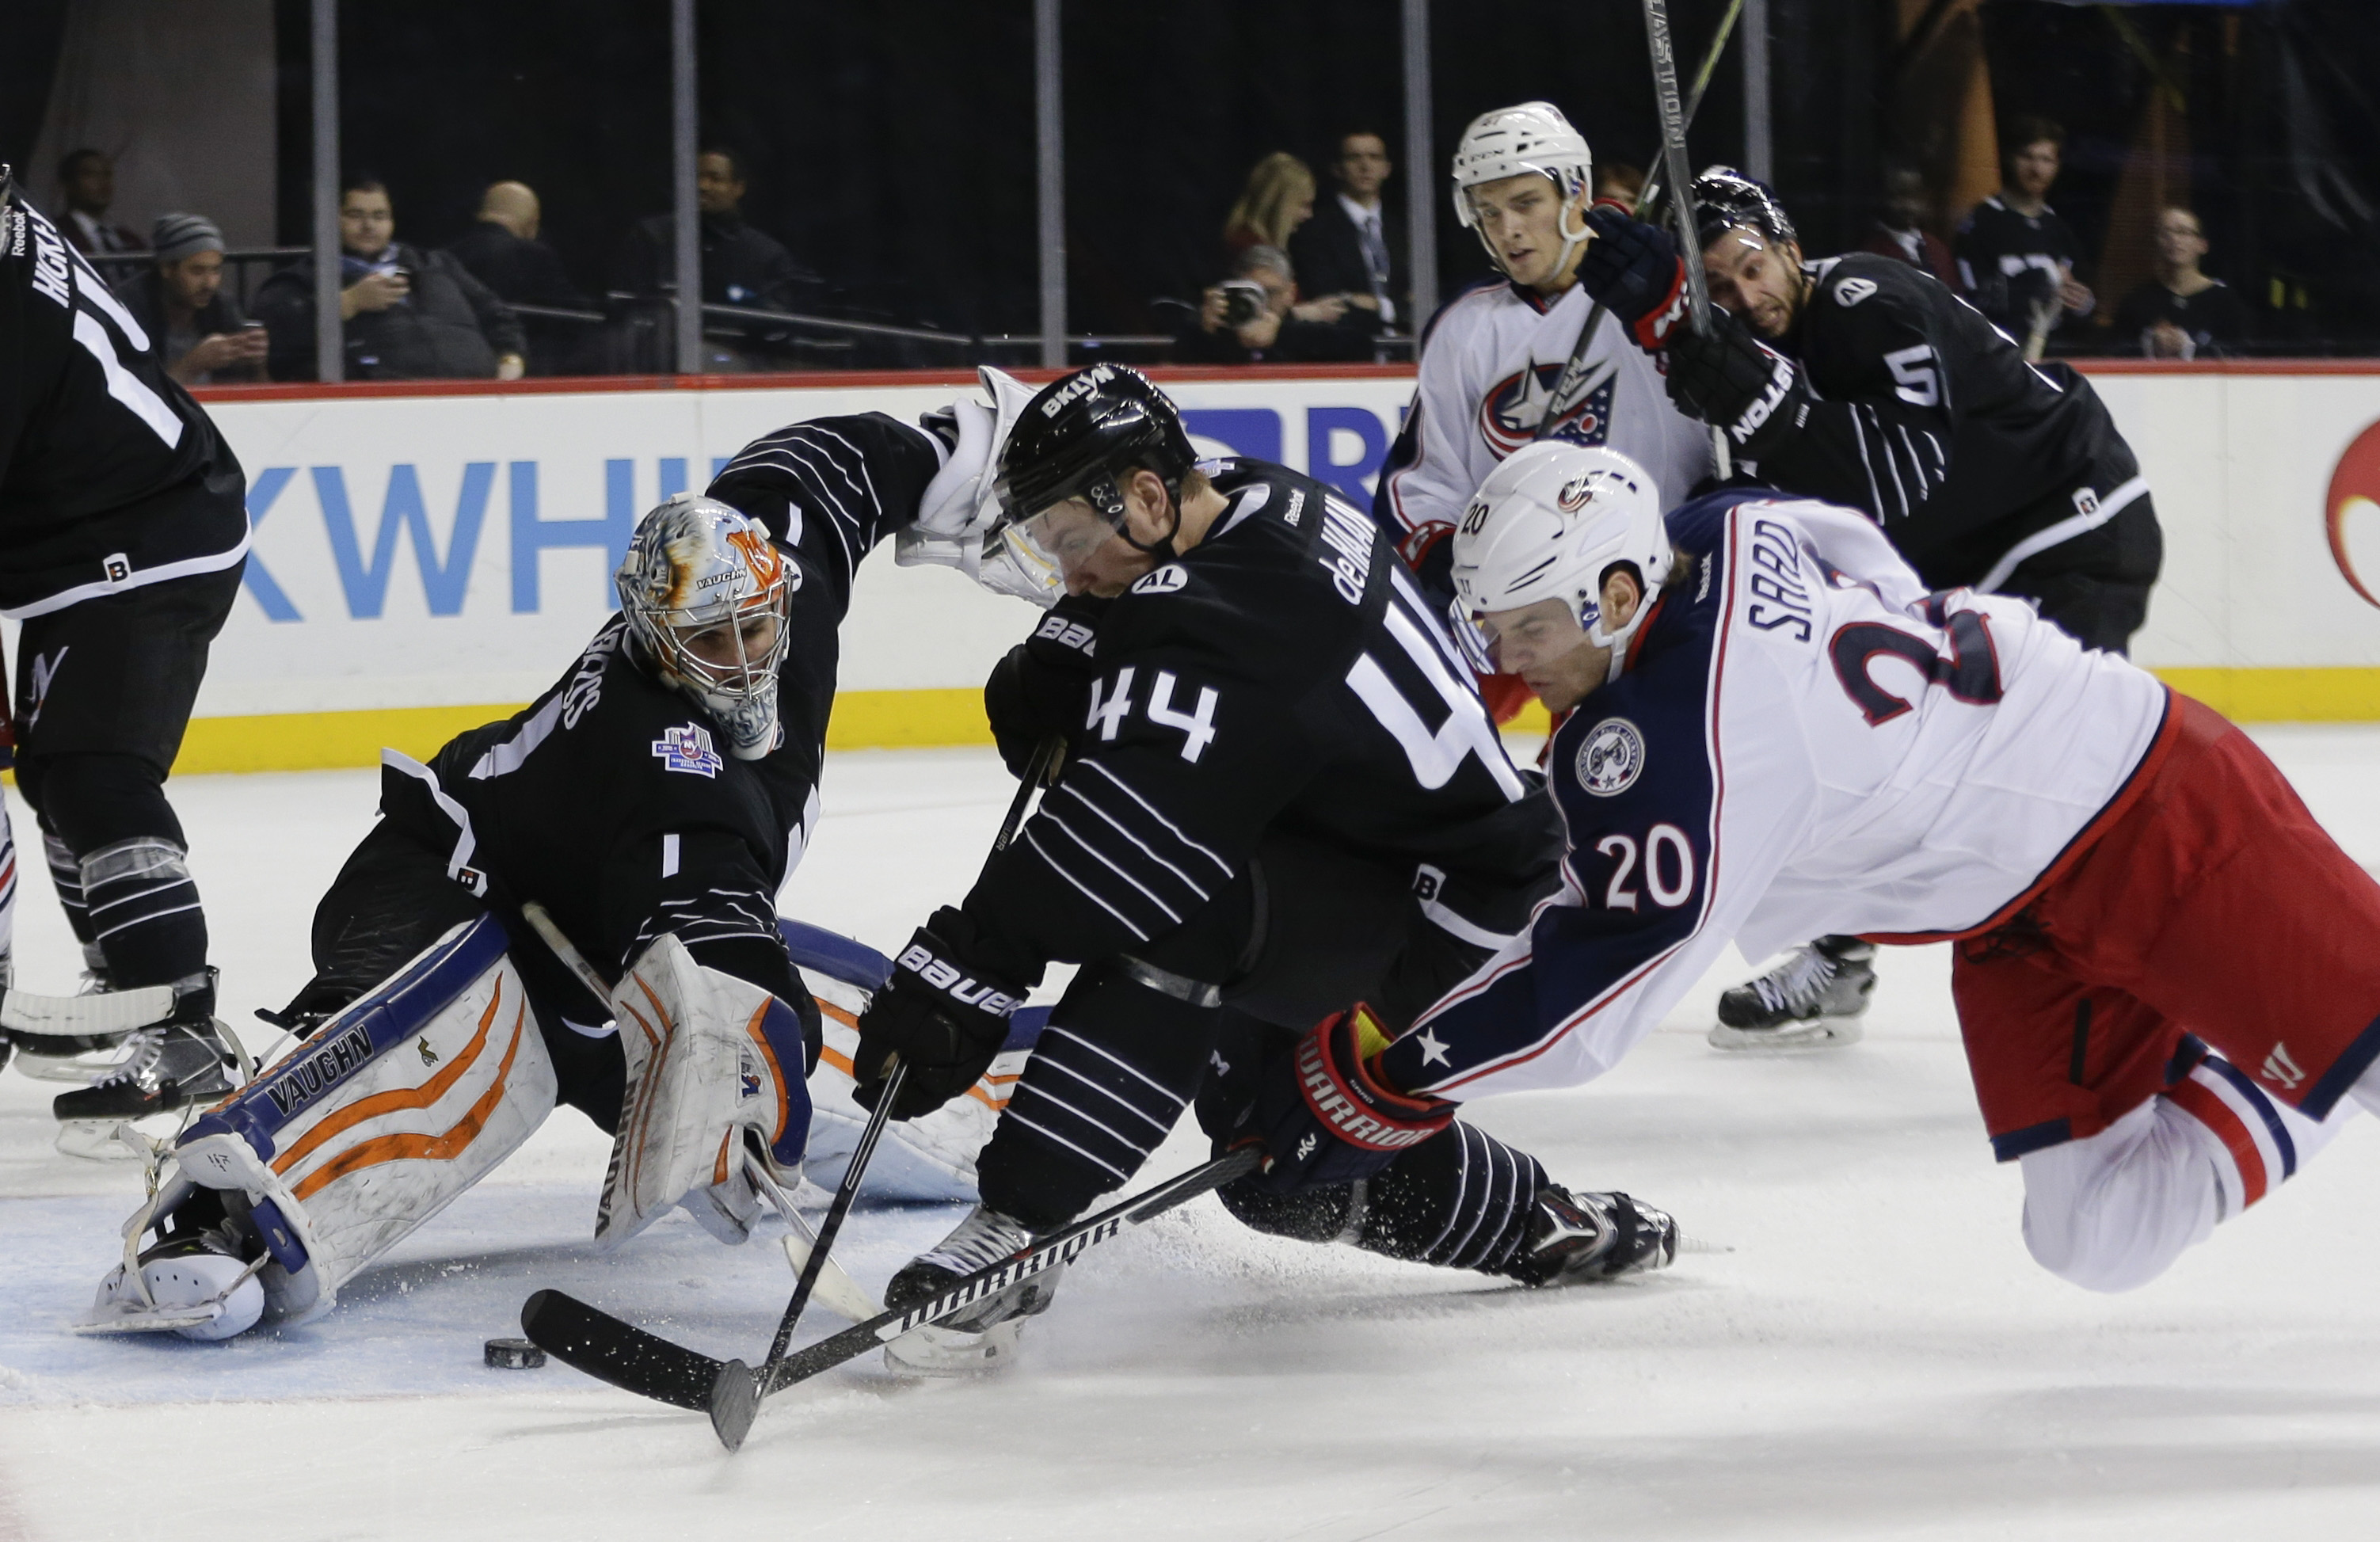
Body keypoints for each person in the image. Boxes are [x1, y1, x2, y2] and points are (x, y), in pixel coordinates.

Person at [1251, 442, 2380, 1301]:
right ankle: (2295, 1068)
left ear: (1615, 594)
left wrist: (1392, 1079)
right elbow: (1858, 550)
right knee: (2093, 1234)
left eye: (1528, 628)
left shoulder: (1681, 748)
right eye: (1491, 627)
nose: (1506, 659)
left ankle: (2323, 1045)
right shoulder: (1723, 522)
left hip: (2151, 811)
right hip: (2012, 905)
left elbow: (1591, 1000)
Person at [78, 369, 1064, 1339]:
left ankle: (1048, 1098)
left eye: (757, 627)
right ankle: (215, 1216)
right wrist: (757, 1055)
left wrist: (976, 454)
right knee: (424, 1046)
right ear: (655, 639)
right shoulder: (663, 757)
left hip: (611, 932)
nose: (745, 658)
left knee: (900, 1048)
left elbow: (814, 470)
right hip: (458, 887)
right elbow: (713, 921)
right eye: (709, 642)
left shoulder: (771, 574)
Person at [845, 365, 1680, 1372]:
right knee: (1273, 1174)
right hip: (1376, 852)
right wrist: (1079, 640)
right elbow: (1143, 634)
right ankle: (1548, 1220)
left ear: (1146, 498)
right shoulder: (1237, 496)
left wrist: (964, 973)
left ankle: (1013, 1233)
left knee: (1186, 930)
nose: (1066, 571)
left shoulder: (1235, 616)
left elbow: (1120, 854)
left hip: (1453, 913)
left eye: (1070, 543)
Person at [1575, 166, 2164, 1048]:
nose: (1746, 295)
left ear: (1786, 247)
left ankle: (2144, 985)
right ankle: (1842, 960)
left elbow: (1898, 479)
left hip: (2068, 528)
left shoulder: (1865, 301)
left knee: (2057, 783)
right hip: (1969, 568)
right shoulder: (1756, 354)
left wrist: (1756, 397)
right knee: (1880, 758)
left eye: (1752, 266)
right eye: (1723, 287)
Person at [0, 165, 250, 1135]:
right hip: (110, 527)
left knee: (99, 775)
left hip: (144, 537)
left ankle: (184, 1034)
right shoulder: (12, 225)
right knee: (58, 776)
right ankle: (124, 983)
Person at [1372, 102, 1712, 648]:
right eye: (1487, 212)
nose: (1507, 229)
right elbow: (1422, 489)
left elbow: (1726, 429)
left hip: (1666, 595)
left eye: (1525, 203)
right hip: (1537, 624)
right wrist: (1452, 571)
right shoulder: (1464, 330)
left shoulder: (1650, 288)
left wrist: (1668, 305)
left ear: (1575, 191)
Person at [252, 177, 527, 383]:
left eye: (379, 216)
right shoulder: (300, 281)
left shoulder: (436, 264)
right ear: (328, 219)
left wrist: (511, 359)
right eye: (355, 215)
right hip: (384, 410)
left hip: (480, 398)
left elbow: (497, 315)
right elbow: (278, 345)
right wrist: (347, 304)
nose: (369, 226)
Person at [611, 147, 824, 367]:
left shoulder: (766, 254)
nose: (702, 186)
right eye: (696, 177)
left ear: (738, 188)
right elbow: (625, 308)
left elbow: (777, 326)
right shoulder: (651, 237)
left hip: (738, 368)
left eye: (715, 178)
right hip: (653, 362)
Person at [1955, 118, 2094, 348]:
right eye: (2028, 157)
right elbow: (1971, 299)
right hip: (2000, 356)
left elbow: (2084, 303)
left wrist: (2083, 304)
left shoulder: (2059, 230)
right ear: (2011, 159)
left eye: (2046, 160)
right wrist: (2036, 288)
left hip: (2055, 357)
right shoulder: (1981, 224)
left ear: (2057, 166)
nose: (2036, 169)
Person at [444, 181, 593, 375]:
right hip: (528, 367)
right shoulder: (534, 255)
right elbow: (576, 316)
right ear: (532, 222)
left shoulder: (446, 257)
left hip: (464, 365)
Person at [110, 214, 268, 386]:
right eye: (197, 271)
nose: (209, 284)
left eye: (215, 270)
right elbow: (131, 396)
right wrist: (193, 365)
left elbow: (261, 395)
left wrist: (256, 365)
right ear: (167, 268)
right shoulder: (129, 307)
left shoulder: (221, 306)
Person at [1174, 245, 1377, 364]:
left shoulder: (1306, 331)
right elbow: (1177, 359)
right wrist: (1207, 332)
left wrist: (1281, 334)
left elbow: (1363, 346)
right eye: (1252, 291)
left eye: (1270, 292)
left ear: (1291, 292)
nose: (1261, 302)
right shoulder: (1214, 328)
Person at [1288, 131, 1406, 330]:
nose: (1365, 166)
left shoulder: (1405, 230)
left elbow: (1421, 297)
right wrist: (1397, 307)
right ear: (1337, 169)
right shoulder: (1314, 230)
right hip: (1351, 350)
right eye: (1354, 158)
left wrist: (1378, 305)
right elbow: (1329, 301)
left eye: (1374, 157)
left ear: (1387, 169)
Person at [2112, 208, 2249, 360]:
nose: (2174, 239)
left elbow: (2240, 356)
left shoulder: (2225, 302)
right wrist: (2149, 345)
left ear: (2203, 245)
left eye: (2183, 232)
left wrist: (2190, 349)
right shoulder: (2136, 302)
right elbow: (2115, 355)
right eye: (2166, 233)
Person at [1856, 163, 1959, 291]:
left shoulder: (1936, 248)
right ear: (1882, 197)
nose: (1909, 206)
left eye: (1915, 196)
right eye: (1898, 196)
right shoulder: (1873, 252)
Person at [1221, 152, 1317, 253]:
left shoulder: (1245, 240)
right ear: (1280, 204)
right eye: (1304, 205)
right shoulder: (1253, 253)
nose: (1309, 215)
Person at [54, 149, 142, 255]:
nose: (103, 182)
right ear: (69, 184)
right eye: (90, 174)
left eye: (107, 174)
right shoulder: (56, 234)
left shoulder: (129, 239)